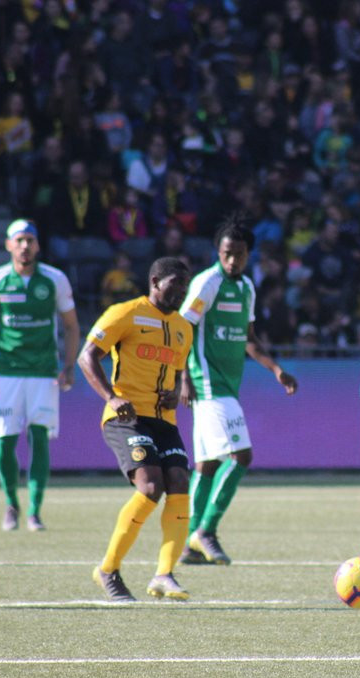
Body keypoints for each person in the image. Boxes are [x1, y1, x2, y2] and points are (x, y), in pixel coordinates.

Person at [177, 217, 298, 566]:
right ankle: (206, 530)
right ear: (218, 251)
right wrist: (183, 378)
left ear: (248, 256)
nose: (232, 261)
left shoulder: (246, 288)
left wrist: (276, 370)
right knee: (242, 456)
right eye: (227, 253)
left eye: (239, 255)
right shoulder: (206, 283)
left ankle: (188, 543)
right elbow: (183, 330)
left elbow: (249, 339)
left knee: (206, 465)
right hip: (208, 385)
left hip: (227, 385)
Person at [79, 257, 194, 602]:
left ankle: (164, 575)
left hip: (164, 420)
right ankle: (108, 569)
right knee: (150, 486)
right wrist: (112, 399)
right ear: (156, 281)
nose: (182, 291)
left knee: (180, 482)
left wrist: (176, 389)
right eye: (176, 283)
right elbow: (87, 357)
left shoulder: (184, 328)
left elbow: (174, 370)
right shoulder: (125, 312)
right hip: (126, 418)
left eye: (185, 285)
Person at [0, 220, 79, 532]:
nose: (25, 246)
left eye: (30, 239)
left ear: (38, 245)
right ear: (8, 245)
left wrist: (68, 366)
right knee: (5, 440)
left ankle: (35, 511)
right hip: (8, 373)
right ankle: (10, 504)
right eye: (20, 240)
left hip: (44, 373)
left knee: (40, 438)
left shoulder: (55, 279)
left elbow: (71, 325)